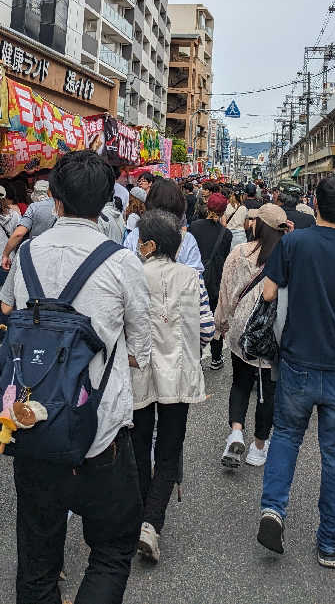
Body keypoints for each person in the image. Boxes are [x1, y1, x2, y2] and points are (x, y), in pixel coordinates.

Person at [0, 150, 151, 603]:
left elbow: (10, 309)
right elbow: (139, 349)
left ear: (56, 201)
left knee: (37, 555)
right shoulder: (120, 262)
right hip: (99, 434)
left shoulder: (27, 253)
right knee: (110, 549)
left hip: (31, 424)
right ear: (107, 204)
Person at [257, 176, 335, 569]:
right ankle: (329, 544)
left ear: (315, 203)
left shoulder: (294, 243)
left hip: (296, 361)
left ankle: (274, 510)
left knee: (287, 437)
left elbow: (268, 293)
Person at [132, 209, 212, 564]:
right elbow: (207, 330)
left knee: (137, 447)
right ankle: (151, 522)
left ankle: (140, 513)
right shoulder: (191, 277)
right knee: (168, 450)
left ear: (148, 245)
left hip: (139, 375)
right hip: (177, 375)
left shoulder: (131, 275)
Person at [215, 203, 288, 470]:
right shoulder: (289, 257)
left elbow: (225, 292)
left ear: (259, 225)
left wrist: (220, 325)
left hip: (240, 329)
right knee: (269, 391)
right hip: (272, 332)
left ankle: (236, 432)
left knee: (240, 382)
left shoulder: (240, 253)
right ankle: (259, 446)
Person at [125, 178, 204, 274]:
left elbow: (126, 271)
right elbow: (196, 274)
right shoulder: (186, 239)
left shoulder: (134, 235)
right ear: (179, 205)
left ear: (149, 202)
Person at [189, 192, 232, 369]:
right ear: (223, 212)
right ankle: (216, 357)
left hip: (196, 278)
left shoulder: (195, 227)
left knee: (194, 317)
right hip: (216, 280)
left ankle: (196, 358)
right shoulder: (226, 234)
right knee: (215, 317)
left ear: (207, 207)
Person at [0, 179, 57, 270]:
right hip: (59, 255)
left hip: (37, 255)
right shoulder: (65, 207)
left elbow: (19, 234)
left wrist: (5, 254)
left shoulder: (34, 207)